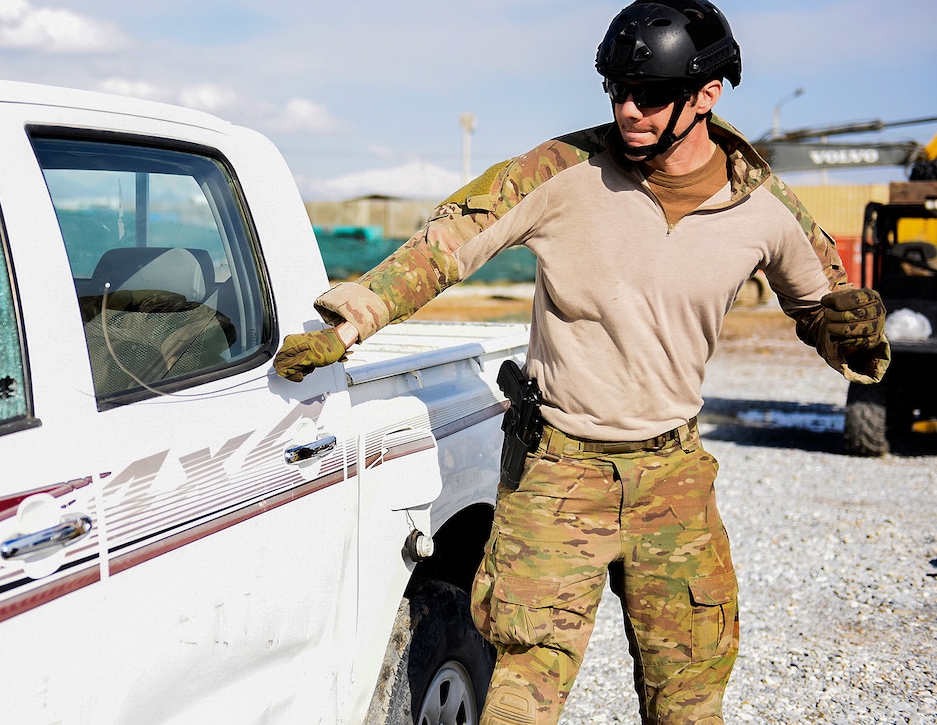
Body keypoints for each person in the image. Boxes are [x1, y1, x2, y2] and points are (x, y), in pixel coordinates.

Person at [273, 1, 890, 723]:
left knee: (689, 699)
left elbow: (829, 312)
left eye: (650, 95)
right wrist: (351, 322)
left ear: (708, 95)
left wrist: (853, 336)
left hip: (673, 479)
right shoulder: (562, 171)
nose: (628, 110)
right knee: (520, 700)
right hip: (557, 473)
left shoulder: (764, 206)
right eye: (616, 91)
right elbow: (446, 245)